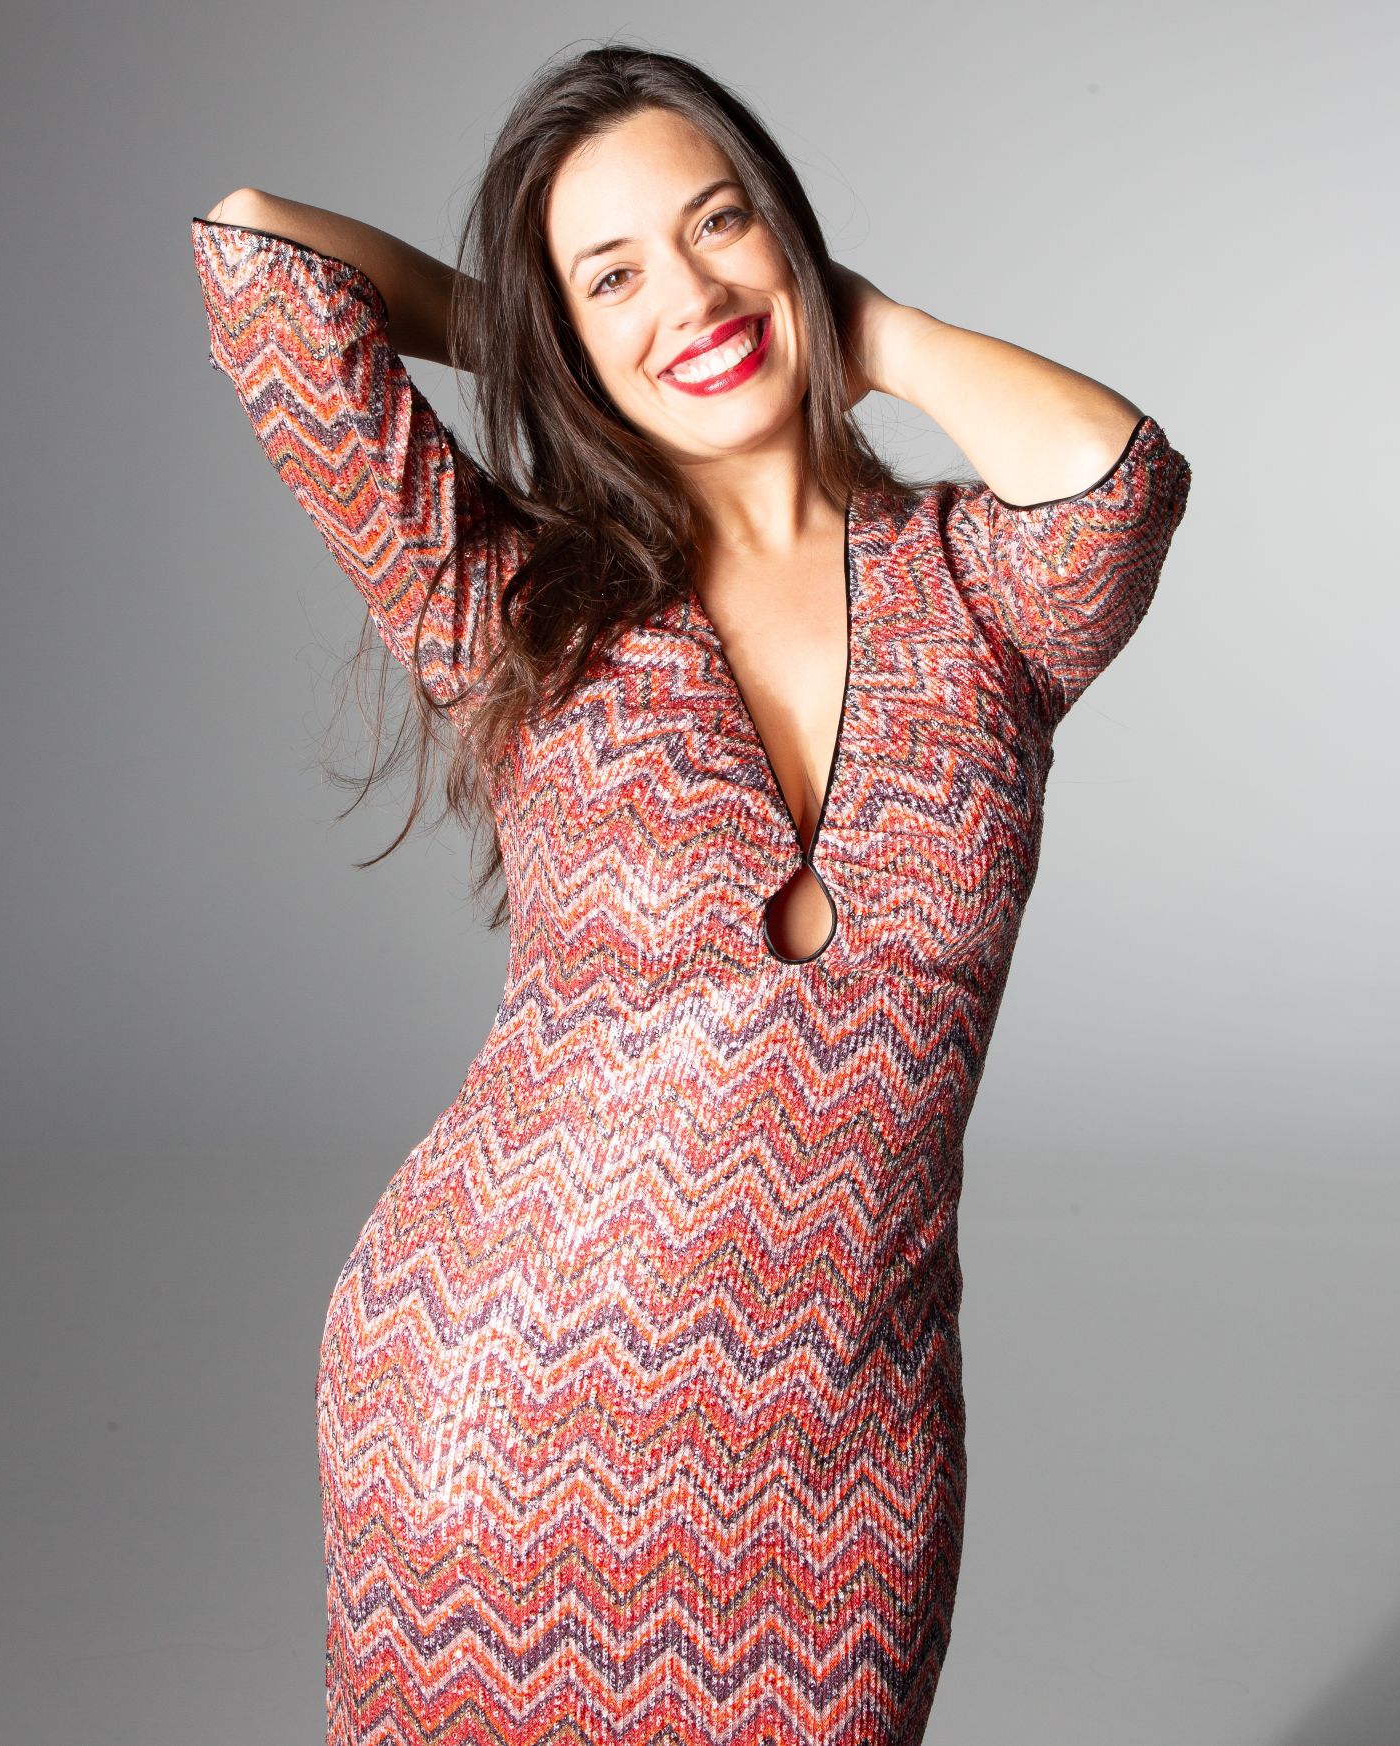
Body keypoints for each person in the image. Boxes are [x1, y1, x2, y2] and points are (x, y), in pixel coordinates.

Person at [190, 41, 1191, 1746]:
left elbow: (1123, 482)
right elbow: (257, 256)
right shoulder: (514, 596)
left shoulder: (986, 592)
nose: (691, 295)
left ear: (792, 235)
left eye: (721, 226)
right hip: (484, 1411)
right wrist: (541, 341)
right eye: (613, 275)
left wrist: (866, 329)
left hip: (840, 1461)